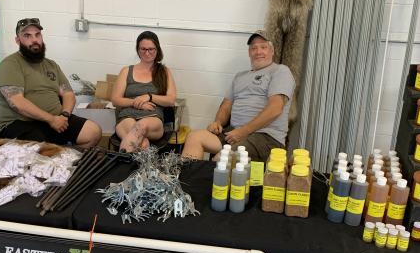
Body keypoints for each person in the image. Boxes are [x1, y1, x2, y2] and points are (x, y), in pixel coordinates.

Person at [181, 30, 295, 162]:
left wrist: (243, 131)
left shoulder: (280, 71)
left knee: (221, 160)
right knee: (194, 137)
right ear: (249, 53)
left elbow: (275, 108)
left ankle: (207, 174)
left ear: (272, 51)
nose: (258, 52)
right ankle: (187, 176)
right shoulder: (239, 77)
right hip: (234, 133)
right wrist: (218, 122)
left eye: (263, 47)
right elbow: (226, 106)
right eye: (254, 48)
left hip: (265, 136)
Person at [0, 18, 102, 147]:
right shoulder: (10, 64)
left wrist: (64, 116)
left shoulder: (51, 65)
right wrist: (51, 120)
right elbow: (17, 103)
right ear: (18, 40)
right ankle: (55, 156)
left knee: (93, 132)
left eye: (37, 35)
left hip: (56, 119)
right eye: (27, 36)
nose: (34, 40)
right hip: (21, 123)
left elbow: (68, 94)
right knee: (42, 148)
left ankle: (67, 158)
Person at [111, 31, 176, 152]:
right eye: (143, 49)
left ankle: (120, 160)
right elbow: (115, 100)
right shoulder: (126, 71)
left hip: (153, 118)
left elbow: (171, 100)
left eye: (151, 49)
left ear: (157, 49)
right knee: (143, 143)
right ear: (138, 49)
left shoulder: (164, 71)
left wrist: (149, 97)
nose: (147, 53)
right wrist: (137, 103)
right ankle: (129, 163)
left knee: (140, 126)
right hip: (127, 117)